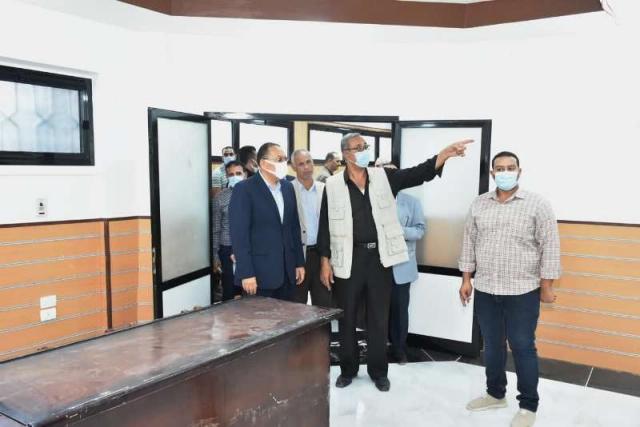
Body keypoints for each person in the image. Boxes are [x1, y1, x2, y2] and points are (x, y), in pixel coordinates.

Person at [318, 132, 473, 392]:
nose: (364, 151)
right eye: (358, 147)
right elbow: (325, 225)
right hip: (348, 260)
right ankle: (348, 369)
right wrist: (325, 261)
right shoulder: (332, 185)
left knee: (379, 318)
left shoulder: (383, 177)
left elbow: (417, 173)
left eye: (365, 146)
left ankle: (379, 371)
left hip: (379, 260)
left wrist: (444, 155)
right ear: (345, 154)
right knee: (347, 318)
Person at [458, 151, 561, 427]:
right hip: (486, 288)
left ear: (519, 171)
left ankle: (528, 406)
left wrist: (547, 286)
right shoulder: (479, 204)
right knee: (492, 345)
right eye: (500, 168)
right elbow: (469, 242)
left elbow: (550, 247)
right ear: (493, 173)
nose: (505, 172)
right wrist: (466, 279)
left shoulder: (538, 205)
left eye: (510, 167)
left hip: (522, 290)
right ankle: (495, 393)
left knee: (522, 346)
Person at [230, 142, 305, 300]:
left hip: (287, 272)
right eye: (279, 159)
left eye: (285, 159)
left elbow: (294, 228)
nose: (284, 163)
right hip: (258, 276)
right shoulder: (244, 189)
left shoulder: (288, 188)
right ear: (263, 163)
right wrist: (246, 273)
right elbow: (239, 236)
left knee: (288, 315)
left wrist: (299, 262)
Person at [290, 149, 332, 307]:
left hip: (321, 256)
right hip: (298, 257)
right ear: (294, 167)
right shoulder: (288, 190)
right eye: (301, 164)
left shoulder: (325, 189)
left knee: (324, 306)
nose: (306, 167)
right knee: (296, 307)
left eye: (309, 162)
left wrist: (327, 259)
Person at [389, 190, 425, 365]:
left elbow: (419, 231)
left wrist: (397, 231)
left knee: (399, 310)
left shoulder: (412, 202)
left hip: (401, 267)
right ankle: (378, 347)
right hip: (375, 267)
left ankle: (399, 349)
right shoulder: (371, 198)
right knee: (375, 310)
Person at [212, 160, 245, 301]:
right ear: (226, 176)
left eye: (238, 173)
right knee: (229, 289)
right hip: (227, 248)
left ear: (244, 174)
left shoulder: (252, 194)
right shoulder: (220, 198)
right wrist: (215, 255)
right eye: (231, 174)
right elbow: (216, 229)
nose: (235, 176)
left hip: (248, 247)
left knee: (249, 289)